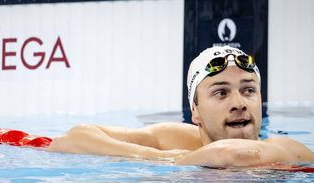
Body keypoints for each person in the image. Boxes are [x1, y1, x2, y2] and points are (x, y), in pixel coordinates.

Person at [46, 46, 314, 168]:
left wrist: (173, 162)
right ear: (195, 111)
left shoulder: (288, 149)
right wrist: (155, 156)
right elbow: (73, 138)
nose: (239, 104)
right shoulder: (175, 139)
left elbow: (231, 155)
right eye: (221, 92)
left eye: (249, 91)